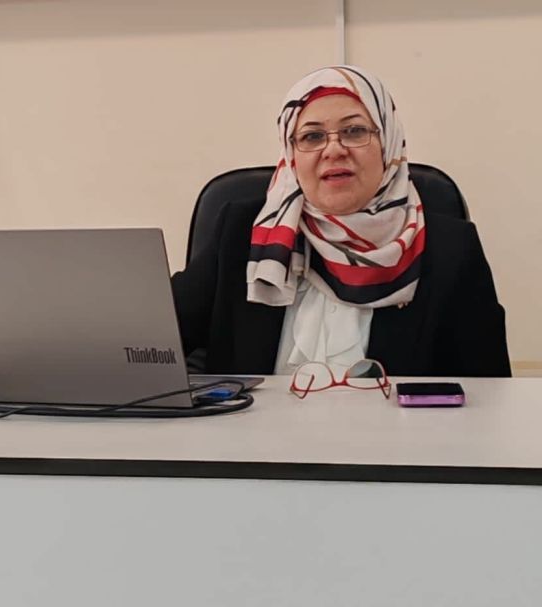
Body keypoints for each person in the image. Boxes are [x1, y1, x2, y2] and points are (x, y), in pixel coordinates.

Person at [173, 65, 510, 377]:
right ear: (291, 155)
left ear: (388, 143)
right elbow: (157, 340)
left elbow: (490, 394)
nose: (334, 150)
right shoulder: (242, 232)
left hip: (398, 426)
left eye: (354, 131)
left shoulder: (451, 248)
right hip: (253, 427)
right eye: (312, 136)